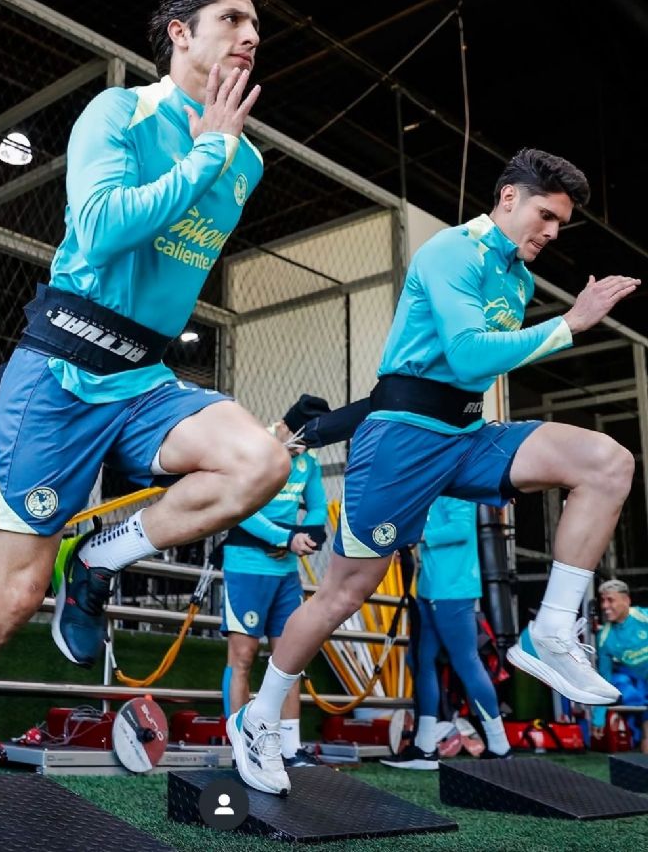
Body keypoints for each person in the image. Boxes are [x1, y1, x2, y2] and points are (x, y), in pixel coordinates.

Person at [0, 0, 293, 822]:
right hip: (60, 375)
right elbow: (101, 232)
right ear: (180, 33)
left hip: (142, 378)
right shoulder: (120, 113)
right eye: (231, 19)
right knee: (10, 600)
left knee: (260, 462)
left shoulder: (248, 161)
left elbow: (169, 270)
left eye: (257, 26)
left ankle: (98, 560)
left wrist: (220, 153)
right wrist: (206, 152)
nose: (251, 36)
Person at [227, 147, 640, 795]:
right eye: (546, 215)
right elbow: (469, 354)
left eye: (561, 223)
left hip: (469, 434)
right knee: (343, 594)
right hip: (402, 439)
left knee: (609, 462)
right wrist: (568, 324)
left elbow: (479, 375)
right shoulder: (452, 252)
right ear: (508, 197)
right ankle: (258, 718)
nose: (553, 232)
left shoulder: (519, 282)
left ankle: (552, 629)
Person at [221, 396, 329, 768]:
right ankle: (239, 748)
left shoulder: (308, 462)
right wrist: (284, 538)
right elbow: (242, 508)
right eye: (297, 442)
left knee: (289, 658)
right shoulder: (254, 448)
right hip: (246, 566)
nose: (300, 451)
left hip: (286, 573)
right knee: (243, 657)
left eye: (307, 445)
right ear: (283, 426)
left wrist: (305, 535)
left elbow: (318, 507)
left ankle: (289, 749)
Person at [381, 496, 511, 770]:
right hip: (430, 586)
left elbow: (460, 529)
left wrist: (418, 536)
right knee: (420, 660)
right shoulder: (433, 485)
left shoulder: (456, 486)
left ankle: (500, 746)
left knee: (466, 661)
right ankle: (424, 747)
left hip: (452, 588)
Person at [591, 578, 648, 752]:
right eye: (603, 601)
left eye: (610, 600)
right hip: (639, 686)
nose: (605, 606)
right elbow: (604, 680)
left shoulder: (644, 617)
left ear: (626, 600)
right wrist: (599, 718)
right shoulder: (605, 638)